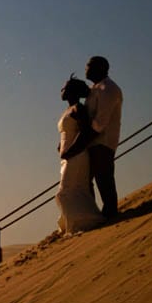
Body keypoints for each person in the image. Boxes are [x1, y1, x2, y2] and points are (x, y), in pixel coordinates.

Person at [55, 76, 103, 233]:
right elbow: (69, 131)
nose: (62, 90)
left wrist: (71, 151)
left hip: (76, 155)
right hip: (67, 156)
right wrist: (61, 146)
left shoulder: (78, 109)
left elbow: (85, 132)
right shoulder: (69, 110)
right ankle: (72, 223)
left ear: (72, 91)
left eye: (65, 87)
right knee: (74, 189)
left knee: (66, 191)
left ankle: (83, 223)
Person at [83, 55, 123, 218]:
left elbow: (100, 123)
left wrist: (81, 141)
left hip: (103, 141)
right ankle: (93, 213)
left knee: (103, 178)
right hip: (91, 142)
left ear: (100, 68)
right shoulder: (94, 90)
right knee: (86, 180)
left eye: (89, 65)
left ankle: (110, 213)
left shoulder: (109, 89)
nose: (86, 68)